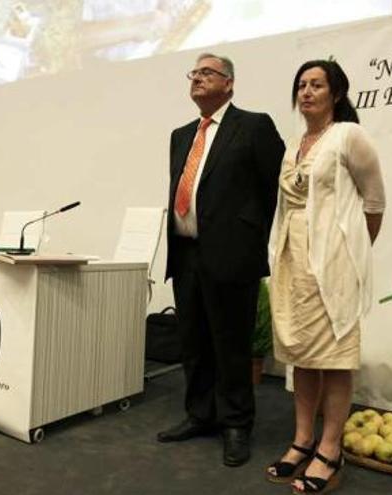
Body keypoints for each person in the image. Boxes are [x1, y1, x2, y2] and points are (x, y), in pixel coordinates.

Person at [157, 53, 285, 467]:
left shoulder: (254, 126)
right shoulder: (181, 135)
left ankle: (236, 425)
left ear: (229, 84)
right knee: (193, 340)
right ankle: (200, 414)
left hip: (233, 254)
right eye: (193, 73)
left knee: (231, 343)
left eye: (206, 73)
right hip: (187, 251)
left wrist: (248, 236)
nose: (197, 78)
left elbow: (273, 188)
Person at [265, 59, 385, 493]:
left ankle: (330, 449)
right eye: (301, 85)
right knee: (302, 354)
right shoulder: (295, 141)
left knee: (334, 357)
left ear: (335, 93)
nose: (306, 92)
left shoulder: (349, 136)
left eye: (316, 84)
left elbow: (374, 202)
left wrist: (350, 255)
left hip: (333, 264)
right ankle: (302, 440)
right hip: (293, 260)